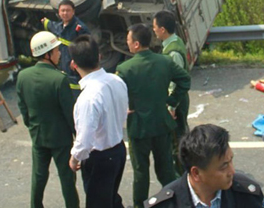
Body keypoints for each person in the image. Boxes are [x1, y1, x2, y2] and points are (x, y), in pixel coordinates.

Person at [116, 23, 191, 208]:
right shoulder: (164, 61)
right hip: (162, 124)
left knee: (141, 173)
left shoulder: (125, 69)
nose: (127, 44)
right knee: (165, 170)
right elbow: (185, 80)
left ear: (135, 44)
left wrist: (124, 108)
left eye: (128, 41)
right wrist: (171, 101)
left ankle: (139, 205)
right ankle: (175, 202)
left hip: (139, 128)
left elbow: (116, 94)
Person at [16, 31, 79, 208]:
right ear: (47, 54)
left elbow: (23, 108)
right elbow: (69, 113)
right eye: (57, 50)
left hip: (38, 136)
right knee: (67, 179)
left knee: (38, 177)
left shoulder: (23, 77)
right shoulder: (59, 80)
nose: (59, 54)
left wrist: (32, 126)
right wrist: (77, 138)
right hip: (60, 139)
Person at [68, 35, 129, 208]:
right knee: (111, 198)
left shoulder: (87, 97)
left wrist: (74, 158)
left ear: (74, 64)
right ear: (99, 57)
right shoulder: (116, 81)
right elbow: (123, 112)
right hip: (118, 149)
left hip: (100, 158)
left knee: (98, 202)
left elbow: (85, 139)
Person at [144, 124, 264, 208]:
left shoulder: (247, 195)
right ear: (196, 173)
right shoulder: (166, 204)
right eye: (224, 166)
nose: (232, 171)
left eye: (230, 161)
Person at [152, 10, 190, 174]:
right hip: (178, 99)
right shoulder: (174, 42)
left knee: (177, 140)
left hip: (177, 101)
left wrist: (172, 107)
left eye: (154, 27)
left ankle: (182, 174)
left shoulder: (173, 52)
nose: (153, 30)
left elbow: (176, 82)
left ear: (162, 29)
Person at [42, 0, 91, 98]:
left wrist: (77, 61)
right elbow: (52, 26)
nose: (65, 13)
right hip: (62, 64)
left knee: (76, 89)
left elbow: (87, 47)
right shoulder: (60, 26)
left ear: (73, 12)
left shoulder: (80, 27)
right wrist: (45, 22)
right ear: (59, 13)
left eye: (68, 10)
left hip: (73, 67)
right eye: (62, 11)